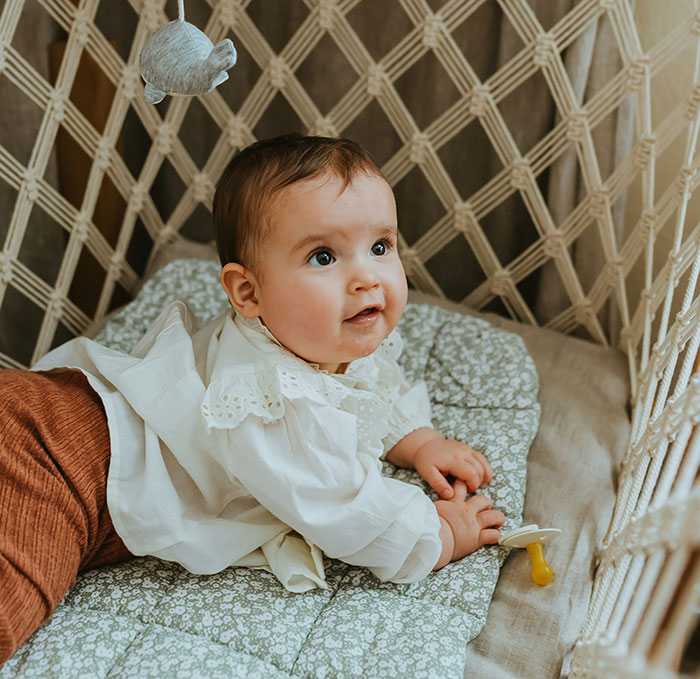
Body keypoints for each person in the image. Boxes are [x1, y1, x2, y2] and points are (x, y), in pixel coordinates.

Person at [0, 134, 504, 664]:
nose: (365, 278)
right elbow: (345, 507)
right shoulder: (270, 399)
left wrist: (415, 439)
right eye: (323, 255)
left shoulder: (322, 333)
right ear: (248, 293)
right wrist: (439, 533)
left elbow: (367, 378)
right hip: (62, 462)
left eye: (381, 247)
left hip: (55, 420)